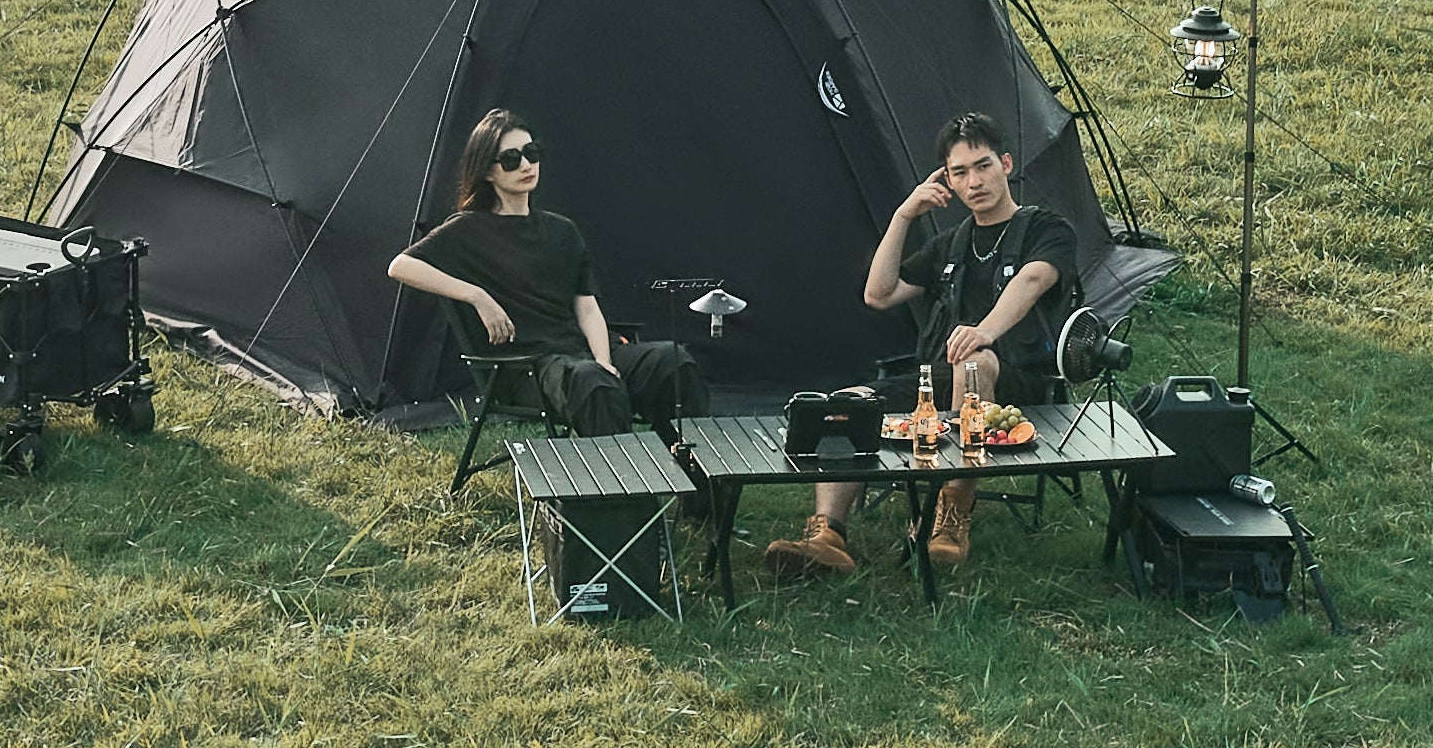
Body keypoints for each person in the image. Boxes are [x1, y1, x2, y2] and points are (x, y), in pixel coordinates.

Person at [761, 111, 1077, 582]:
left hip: (1016, 385)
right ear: (946, 180)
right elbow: (878, 293)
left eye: (984, 165)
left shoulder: (1047, 230)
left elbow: (1032, 280)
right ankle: (827, 536)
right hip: (936, 386)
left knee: (973, 361)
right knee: (850, 403)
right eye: (960, 172)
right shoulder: (951, 243)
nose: (975, 181)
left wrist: (985, 330)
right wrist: (903, 214)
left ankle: (951, 513)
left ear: (1007, 164)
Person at [388, 108, 702, 441]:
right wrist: (477, 296)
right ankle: (621, 491)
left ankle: (697, 484)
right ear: (488, 172)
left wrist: (603, 360)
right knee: (592, 384)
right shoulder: (468, 229)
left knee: (675, 364)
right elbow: (401, 266)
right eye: (510, 159)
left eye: (531, 153)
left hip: (583, 357)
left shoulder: (561, 230)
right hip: (527, 367)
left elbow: (587, 306)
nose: (525, 165)